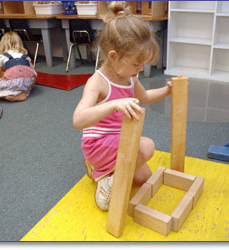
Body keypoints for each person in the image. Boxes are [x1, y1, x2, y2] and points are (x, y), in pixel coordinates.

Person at [73, 1, 181, 211]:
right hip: (98, 144)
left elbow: (145, 96)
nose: (140, 68)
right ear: (113, 56)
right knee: (146, 146)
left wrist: (168, 91)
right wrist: (114, 104)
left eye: (143, 64)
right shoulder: (98, 82)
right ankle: (103, 178)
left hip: (117, 141)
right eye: (136, 63)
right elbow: (78, 119)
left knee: (143, 176)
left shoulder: (130, 76)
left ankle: (98, 170)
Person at [0, 32, 37, 102]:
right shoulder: (25, 56)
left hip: (13, 82)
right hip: (27, 81)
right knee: (24, 85)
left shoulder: (2, 56)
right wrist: (31, 85)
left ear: (3, 44)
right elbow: (34, 73)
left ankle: (11, 96)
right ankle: (23, 92)